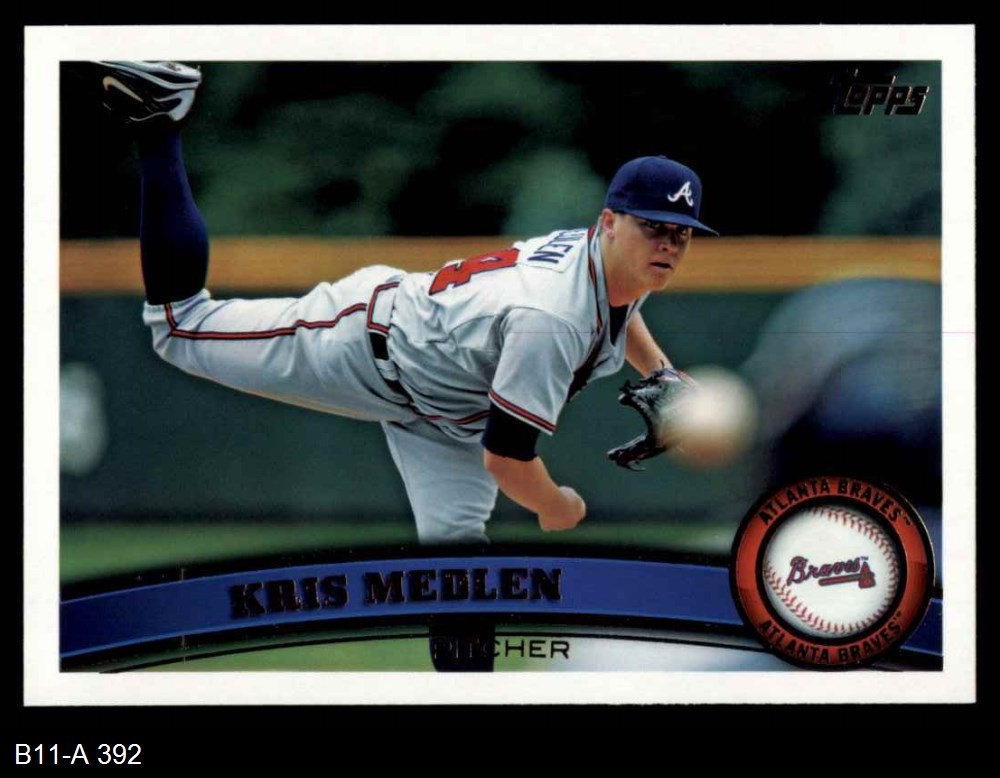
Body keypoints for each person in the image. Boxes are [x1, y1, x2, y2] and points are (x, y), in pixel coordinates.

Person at [95, 60, 717, 546]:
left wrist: (664, 374)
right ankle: (161, 119)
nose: (668, 244)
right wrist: (558, 506)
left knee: (458, 573)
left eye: (680, 233)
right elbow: (507, 461)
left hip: (451, 410)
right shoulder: (550, 319)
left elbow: (622, 307)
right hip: (369, 344)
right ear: (609, 223)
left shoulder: (608, 261)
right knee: (179, 327)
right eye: (652, 227)